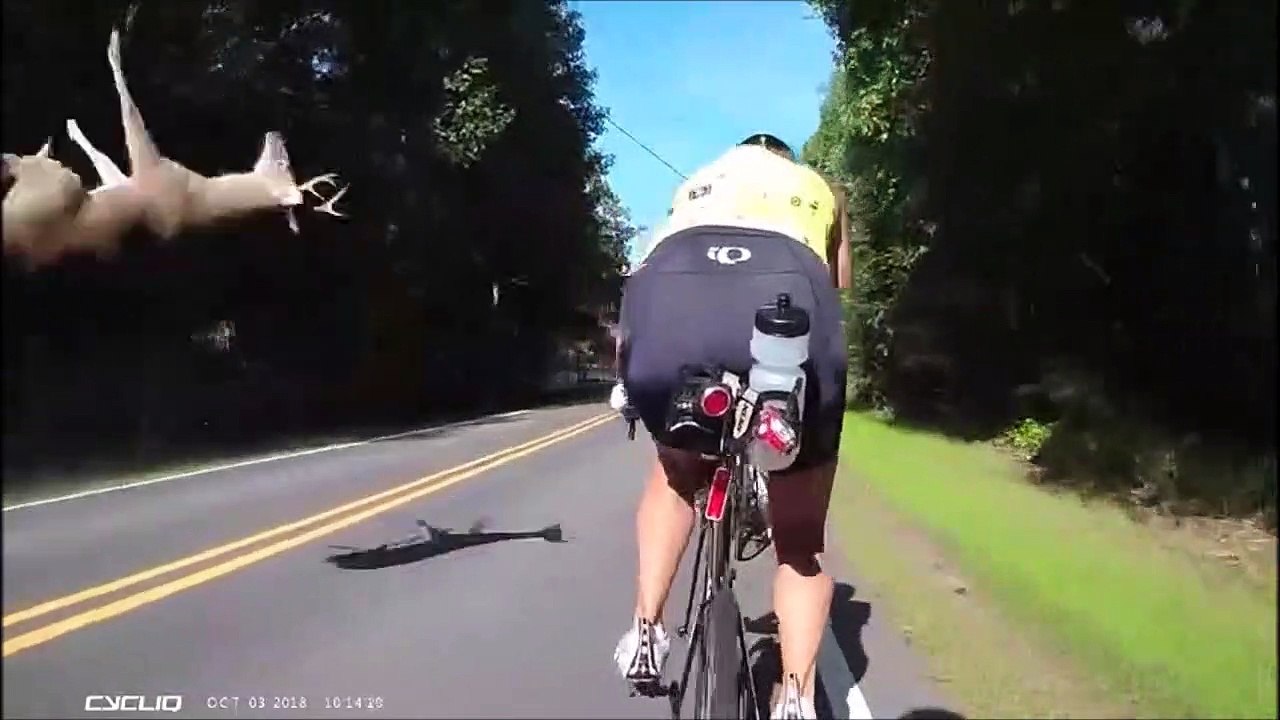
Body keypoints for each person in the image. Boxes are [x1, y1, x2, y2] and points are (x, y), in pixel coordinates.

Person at [611, 132, 851, 720]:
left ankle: (645, 629)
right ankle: (795, 698)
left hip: (671, 300)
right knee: (799, 540)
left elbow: (644, 276)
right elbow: (839, 283)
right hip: (787, 306)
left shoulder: (700, 180)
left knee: (676, 474)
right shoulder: (821, 189)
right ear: (787, 160)